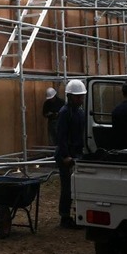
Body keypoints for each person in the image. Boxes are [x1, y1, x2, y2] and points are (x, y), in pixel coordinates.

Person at [54, 79, 86, 229]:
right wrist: (65, 156)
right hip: (66, 156)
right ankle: (64, 217)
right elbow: (61, 136)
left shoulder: (80, 112)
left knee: (77, 187)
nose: (80, 99)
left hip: (77, 154)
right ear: (70, 96)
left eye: (81, 96)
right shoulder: (65, 112)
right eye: (78, 96)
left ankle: (78, 215)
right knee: (67, 187)